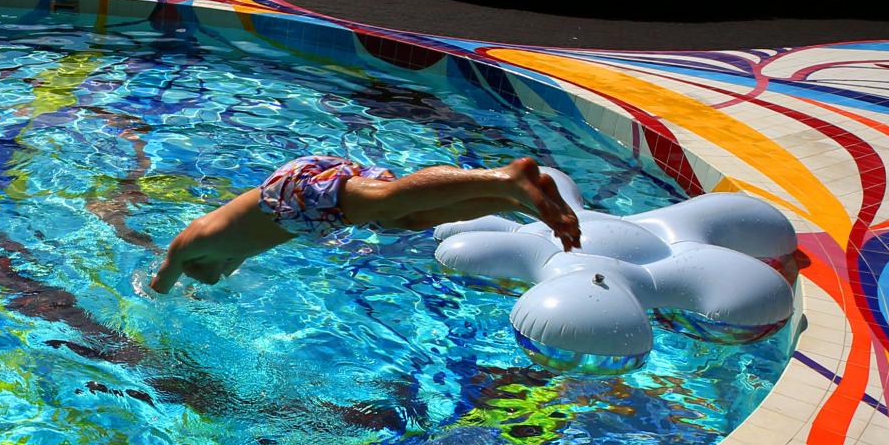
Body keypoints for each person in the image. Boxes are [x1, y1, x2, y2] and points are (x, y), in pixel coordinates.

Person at [151, 154, 582, 294]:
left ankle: (505, 177)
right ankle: (515, 198)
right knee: (410, 218)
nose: (209, 281)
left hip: (288, 198)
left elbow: (159, 285)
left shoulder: (187, 247)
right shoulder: (224, 256)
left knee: (389, 199)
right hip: (300, 213)